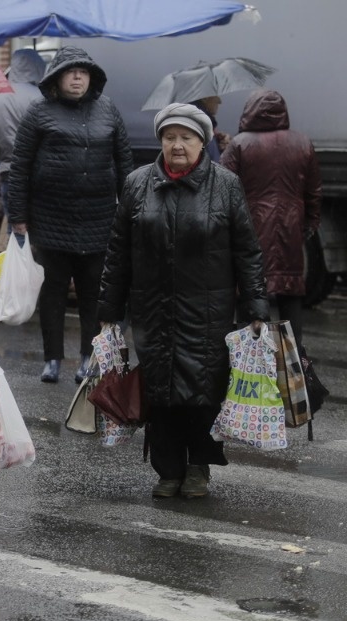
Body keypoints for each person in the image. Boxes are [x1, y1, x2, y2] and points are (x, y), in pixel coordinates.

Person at [98, 103, 268, 500]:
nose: (177, 145)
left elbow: (247, 251)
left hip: (207, 311)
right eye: (170, 137)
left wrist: (256, 307)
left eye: (186, 137)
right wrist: (109, 313)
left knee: (204, 391)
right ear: (160, 141)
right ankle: (168, 469)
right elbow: (118, 252)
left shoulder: (225, 184)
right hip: (152, 309)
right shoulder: (138, 183)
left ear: (202, 141)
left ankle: (198, 468)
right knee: (160, 392)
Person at [7, 46, 134, 385]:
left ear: (92, 77)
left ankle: (87, 357)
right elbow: (20, 167)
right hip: (51, 219)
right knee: (53, 293)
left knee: (95, 293)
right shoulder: (38, 112)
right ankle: (52, 359)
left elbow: (125, 164)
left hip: (99, 219)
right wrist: (18, 215)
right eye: (70, 71)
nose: (77, 77)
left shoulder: (108, 111)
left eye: (83, 71)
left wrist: (130, 209)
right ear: (56, 78)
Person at [222, 89, 322, 349]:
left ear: (250, 110)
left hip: (250, 228)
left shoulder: (240, 144)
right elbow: (313, 192)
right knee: (291, 294)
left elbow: (222, 188)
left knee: (250, 293)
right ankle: (295, 365)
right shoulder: (303, 143)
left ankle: (248, 363)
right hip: (290, 229)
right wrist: (309, 224)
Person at [0, 48, 46, 250]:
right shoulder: (43, 99)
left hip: (9, 171)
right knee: (41, 229)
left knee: (14, 227)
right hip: (39, 173)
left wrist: (3, 154)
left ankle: (16, 276)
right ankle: (39, 276)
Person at [190, 96, 231, 162]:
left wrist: (217, 141)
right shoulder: (202, 127)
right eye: (216, 95)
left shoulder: (200, 124)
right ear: (204, 98)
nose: (219, 101)